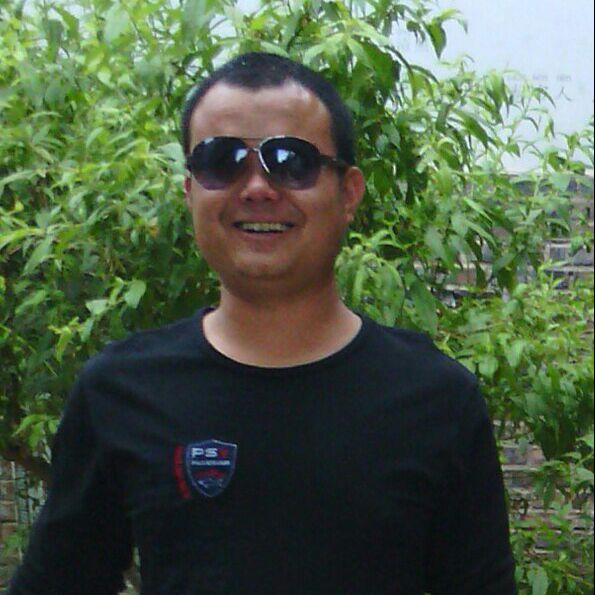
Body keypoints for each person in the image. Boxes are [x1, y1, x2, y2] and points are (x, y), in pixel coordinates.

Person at [8, 52, 517, 594]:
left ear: (348, 194)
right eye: (221, 160)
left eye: (290, 161)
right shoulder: (120, 390)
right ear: (190, 192)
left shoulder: (436, 399)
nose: (256, 188)